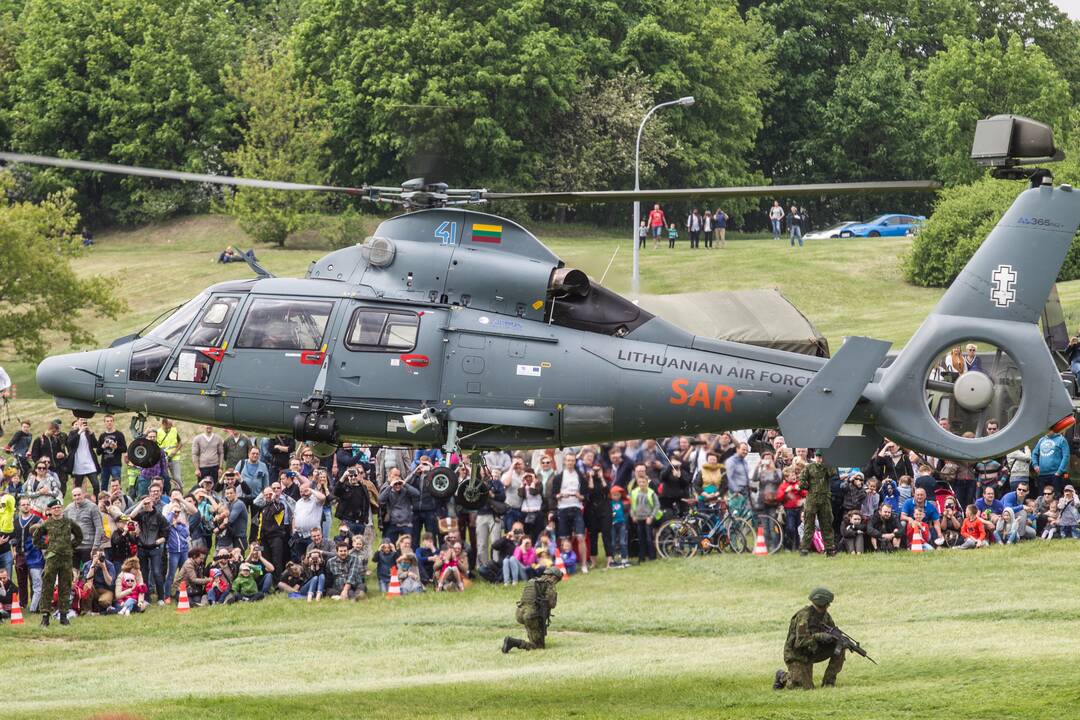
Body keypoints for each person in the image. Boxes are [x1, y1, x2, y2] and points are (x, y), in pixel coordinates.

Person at [774, 588, 845, 690]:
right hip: (797, 655)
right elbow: (800, 642)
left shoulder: (825, 616)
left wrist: (836, 639)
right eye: (827, 603)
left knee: (840, 647)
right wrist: (819, 636)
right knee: (803, 687)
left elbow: (831, 630)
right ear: (822, 603)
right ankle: (782, 676)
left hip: (813, 651)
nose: (828, 605)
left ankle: (829, 682)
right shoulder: (804, 616)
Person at [30, 498, 83, 626]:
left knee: (65, 586)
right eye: (54, 508)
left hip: (66, 558)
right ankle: (45, 615)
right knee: (48, 586)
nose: (57, 510)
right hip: (52, 559)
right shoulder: (47, 524)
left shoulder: (69, 522)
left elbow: (79, 535)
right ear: (50, 510)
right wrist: (47, 547)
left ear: (62, 509)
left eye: (59, 508)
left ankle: (64, 615)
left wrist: (71, 546)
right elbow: (36, 539)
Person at [502, 565, 562, 653]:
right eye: (556, 580)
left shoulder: (532, 581)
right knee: (538, 647)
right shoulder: (548, 584)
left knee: (534, 635)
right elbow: (552, 604)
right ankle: (513, 642)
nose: (555, 582)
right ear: (552, 576)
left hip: (520, 613)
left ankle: (532, 640)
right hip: (531, 616)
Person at [799, 456, 835, 556]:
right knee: (808, 524)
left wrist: (827, 464)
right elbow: (801, 480)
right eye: (818, 457)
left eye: (822, 457)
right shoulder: (809, 467)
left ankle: (829, 548)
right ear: (815, 457)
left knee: (826, 524)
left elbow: (833, 473)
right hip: (812, 499)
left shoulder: (828, 467)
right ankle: (804, 548)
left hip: (825, 500)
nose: (820, 459)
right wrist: (808, 486)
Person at [64, 487, 103, 568]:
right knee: (73, 574)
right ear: (72, 497)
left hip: (88, 546)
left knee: (89, 573)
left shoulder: (93, 507)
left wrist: (95, 546)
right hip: (73, 547)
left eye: (79, 495)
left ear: (83, 495)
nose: (77, 497)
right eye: (75, 495)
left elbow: (99, 527)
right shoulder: (68, 509)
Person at [629, 472, 659, 564]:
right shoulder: (634, 492)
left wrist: (651, 516)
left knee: (649, 538)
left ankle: (652, 556)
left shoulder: (651, 492)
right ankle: (641, 557)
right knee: (641, 538)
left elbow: (656, 505)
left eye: (643, 482)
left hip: (648, 518)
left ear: (646, 482)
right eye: (640, 482)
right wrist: (633, 515)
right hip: (639, 518)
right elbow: (632, 505)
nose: (641, 484)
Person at [1032, 430, 1069, 497]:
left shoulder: (1061, 439)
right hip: (1042, 475)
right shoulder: (1041, 440)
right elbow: (1034, 453)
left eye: (1050, 428)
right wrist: (1035, 465)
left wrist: (1059, 472)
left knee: (1055, 498)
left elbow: (1066, 456)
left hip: (1056, 475)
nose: (1047, 430)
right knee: (1042, 498)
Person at [156, 419, 183, 492]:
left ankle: (180, 492)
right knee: (165, 478)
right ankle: (167, 494)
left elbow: (180, 443)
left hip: (174, 458)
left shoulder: (174, 430)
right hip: (163, 459)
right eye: (169, 425)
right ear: (164, 423)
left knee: (177, 478)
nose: (171, 427)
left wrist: (175, 451)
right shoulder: (158, 432)